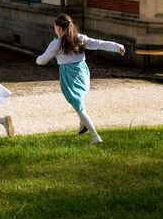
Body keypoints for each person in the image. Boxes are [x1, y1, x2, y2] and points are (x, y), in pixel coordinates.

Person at [36, 13, 125, 145]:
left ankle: (95, 137)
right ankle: (83, 124)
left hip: (68, 75)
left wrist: (37, 59)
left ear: (59, 28)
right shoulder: (80, 38)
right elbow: (99, 44)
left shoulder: (56, 44)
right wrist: (117, 46)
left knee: (78, 105)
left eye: (55, 27)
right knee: (79, 101)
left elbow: (42, 61)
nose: (54, 29)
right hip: (82, 72)